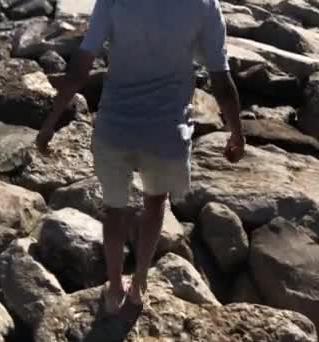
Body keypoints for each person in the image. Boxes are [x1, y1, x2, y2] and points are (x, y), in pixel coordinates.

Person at [36, 0, 245, 316]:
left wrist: (50, 123)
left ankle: (115, 288)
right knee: (155, 202)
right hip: (166, 132)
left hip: (115, 127)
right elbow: (221, 79)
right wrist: (237, 132)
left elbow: (81, 66)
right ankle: (139, 284)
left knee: (115, 212)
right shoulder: (205, 5)